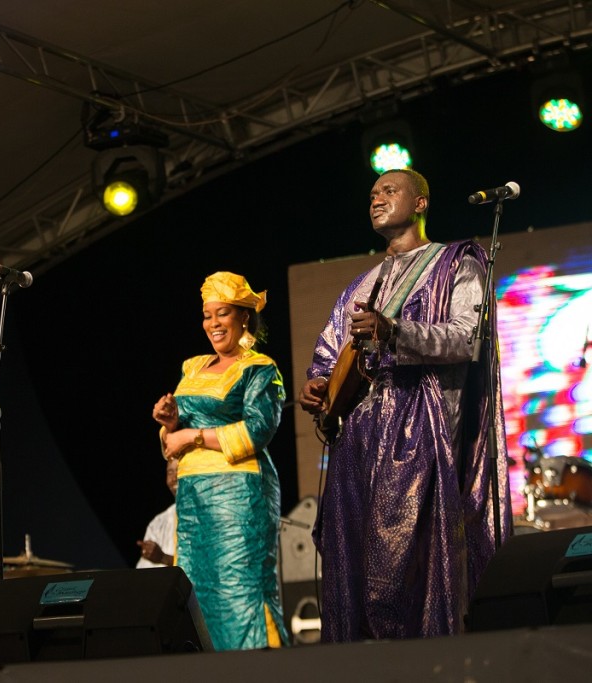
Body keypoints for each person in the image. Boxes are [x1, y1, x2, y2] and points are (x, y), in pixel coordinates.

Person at [297, 168, 511, 642]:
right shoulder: (361, 285)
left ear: (420, 203)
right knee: (353, 564)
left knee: (401, 573)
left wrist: (395, 332)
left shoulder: (455, 263)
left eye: (389, 191)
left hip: (419, 431)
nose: (376, 199)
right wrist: (317, 386)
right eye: (372, 193)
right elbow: (332, 353)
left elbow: (466, 338)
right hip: (357, 440)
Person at [152, 271, 288, 650]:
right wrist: (169, 423)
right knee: (196, 589)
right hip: (193, 496)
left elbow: (259, 431)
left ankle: (265, 672)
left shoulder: (259, 368)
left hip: (239, 493)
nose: (212, 323)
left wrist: (192, 434)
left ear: (244, 316)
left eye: (222, 313)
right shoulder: (192, 368)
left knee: (241, 590)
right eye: (207, 315)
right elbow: (172, 444)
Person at [136, 457, 179, 568]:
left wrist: (162, 558)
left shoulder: (208, 515)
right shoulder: (158, 522)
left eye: (179, 470)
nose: (174, 478)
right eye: (170, 472)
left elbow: (204, 567)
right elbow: (145, 572)